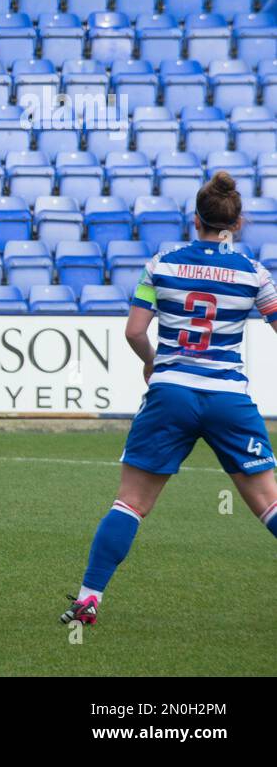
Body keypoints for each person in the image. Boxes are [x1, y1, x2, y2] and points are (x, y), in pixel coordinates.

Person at [61, 171, 277, 625]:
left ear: (194, 220)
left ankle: (89, 598)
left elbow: (134, 332)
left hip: (170, 391)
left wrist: (153, 362)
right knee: (269, 505)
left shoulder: (162, 263)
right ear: (236, 225)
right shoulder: (255, 274)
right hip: (227, 398)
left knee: (130, 503)